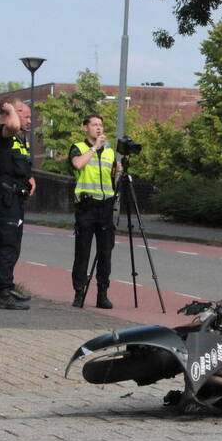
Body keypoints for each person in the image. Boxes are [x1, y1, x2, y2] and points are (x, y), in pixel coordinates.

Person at [0, 98, 36, 310]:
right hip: (5, 197)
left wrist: (29, 178)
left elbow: (4, 164)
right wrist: (10, 108)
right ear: (12, 112)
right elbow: (12, 125)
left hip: (10, 196)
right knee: (6, 244)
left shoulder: (14, 139)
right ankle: (2, 292)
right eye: (26, 115)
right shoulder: (0, 131)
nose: (29, 120)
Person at [69, 114, 122, 309]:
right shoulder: (79, 148)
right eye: (94, 125)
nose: (99, 128)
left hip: (106, 208)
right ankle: (79, 292)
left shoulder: (110, 152)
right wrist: (94, 148)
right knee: (82, 252)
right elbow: (77, 164)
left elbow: (112, 181)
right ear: (86, 128)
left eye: (101, 125)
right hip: (86, 207)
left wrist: (118, 173)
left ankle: (102, 293)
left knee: (105, 253)